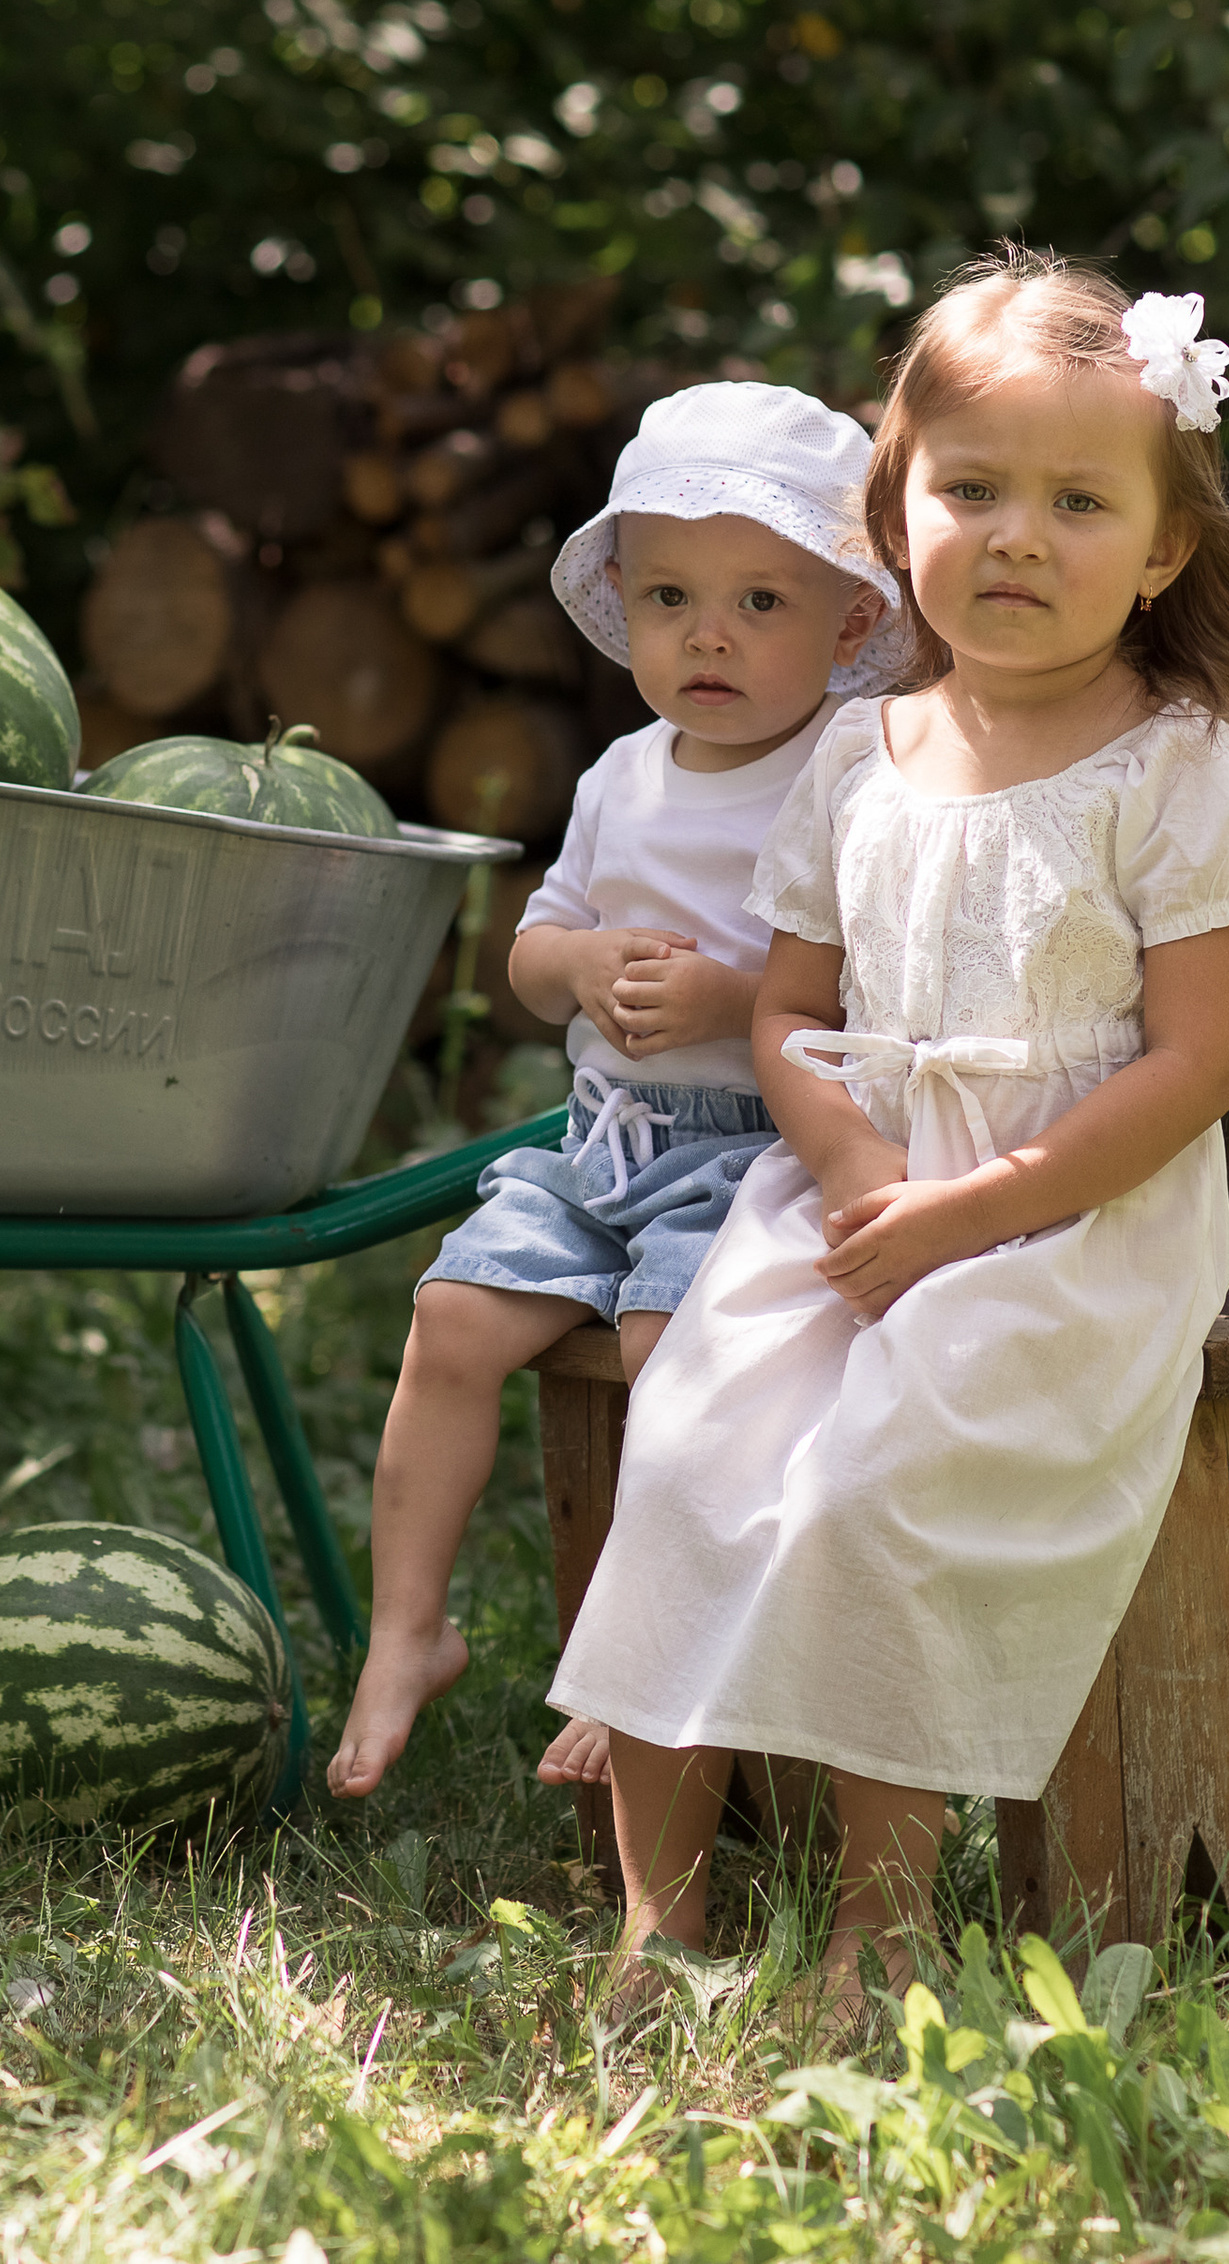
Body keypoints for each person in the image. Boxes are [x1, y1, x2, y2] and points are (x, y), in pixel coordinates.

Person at [545, 248, 1229, 2028]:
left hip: (1072, 1207)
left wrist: (972, 1211)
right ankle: (662, 1918)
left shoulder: (1183, 772)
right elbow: (788, 1008)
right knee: (696, 1444)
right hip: (854, 1178)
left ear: (1165, 547)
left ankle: (876, 1933)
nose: (1019, 536)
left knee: (890, 1474)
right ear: (897, 518)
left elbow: (1193, 1069)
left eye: (1077, 501)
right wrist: (854, 1165)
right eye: (971, 490)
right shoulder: (862, 752)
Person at [326, 381, 914, 1801]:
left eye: (761, 602)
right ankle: (407, 1630)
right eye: (669, 597)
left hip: (745, 1156)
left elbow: (877, 995)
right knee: (453, 1319)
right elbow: (531, 951)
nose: (709, 636)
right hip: (596, 1146)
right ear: (625, 609)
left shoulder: (851, 778)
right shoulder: (617, 774)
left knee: (674, 1358)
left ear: (849, 623)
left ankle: (645, 1657)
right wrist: (580, 964)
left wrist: (731, 1003)